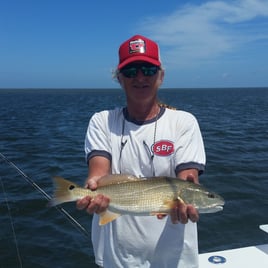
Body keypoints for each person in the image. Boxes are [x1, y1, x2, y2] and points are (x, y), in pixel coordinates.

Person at [77, 34, 206, 268]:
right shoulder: (102, 121)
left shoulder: (184, 122)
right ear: (119, 78)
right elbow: (98, 172)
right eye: (131, 71)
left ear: (161, 76)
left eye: (148, 69)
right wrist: (91, 189)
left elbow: (188, 177)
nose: (139, 77)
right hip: (117, 257)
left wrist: (189, 198)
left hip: (175, 257)